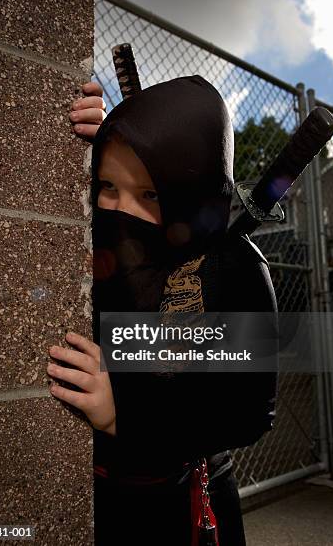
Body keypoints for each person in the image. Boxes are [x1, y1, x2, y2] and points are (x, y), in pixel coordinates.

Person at [47, 78, 279, 545]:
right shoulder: (101, 242)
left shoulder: (233, 267)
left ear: (190, 191)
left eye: (149, 195)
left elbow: (248, 410)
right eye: (106, 186)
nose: (119, 209)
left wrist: (124, 414)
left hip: (183, 502)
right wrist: (89, 134)